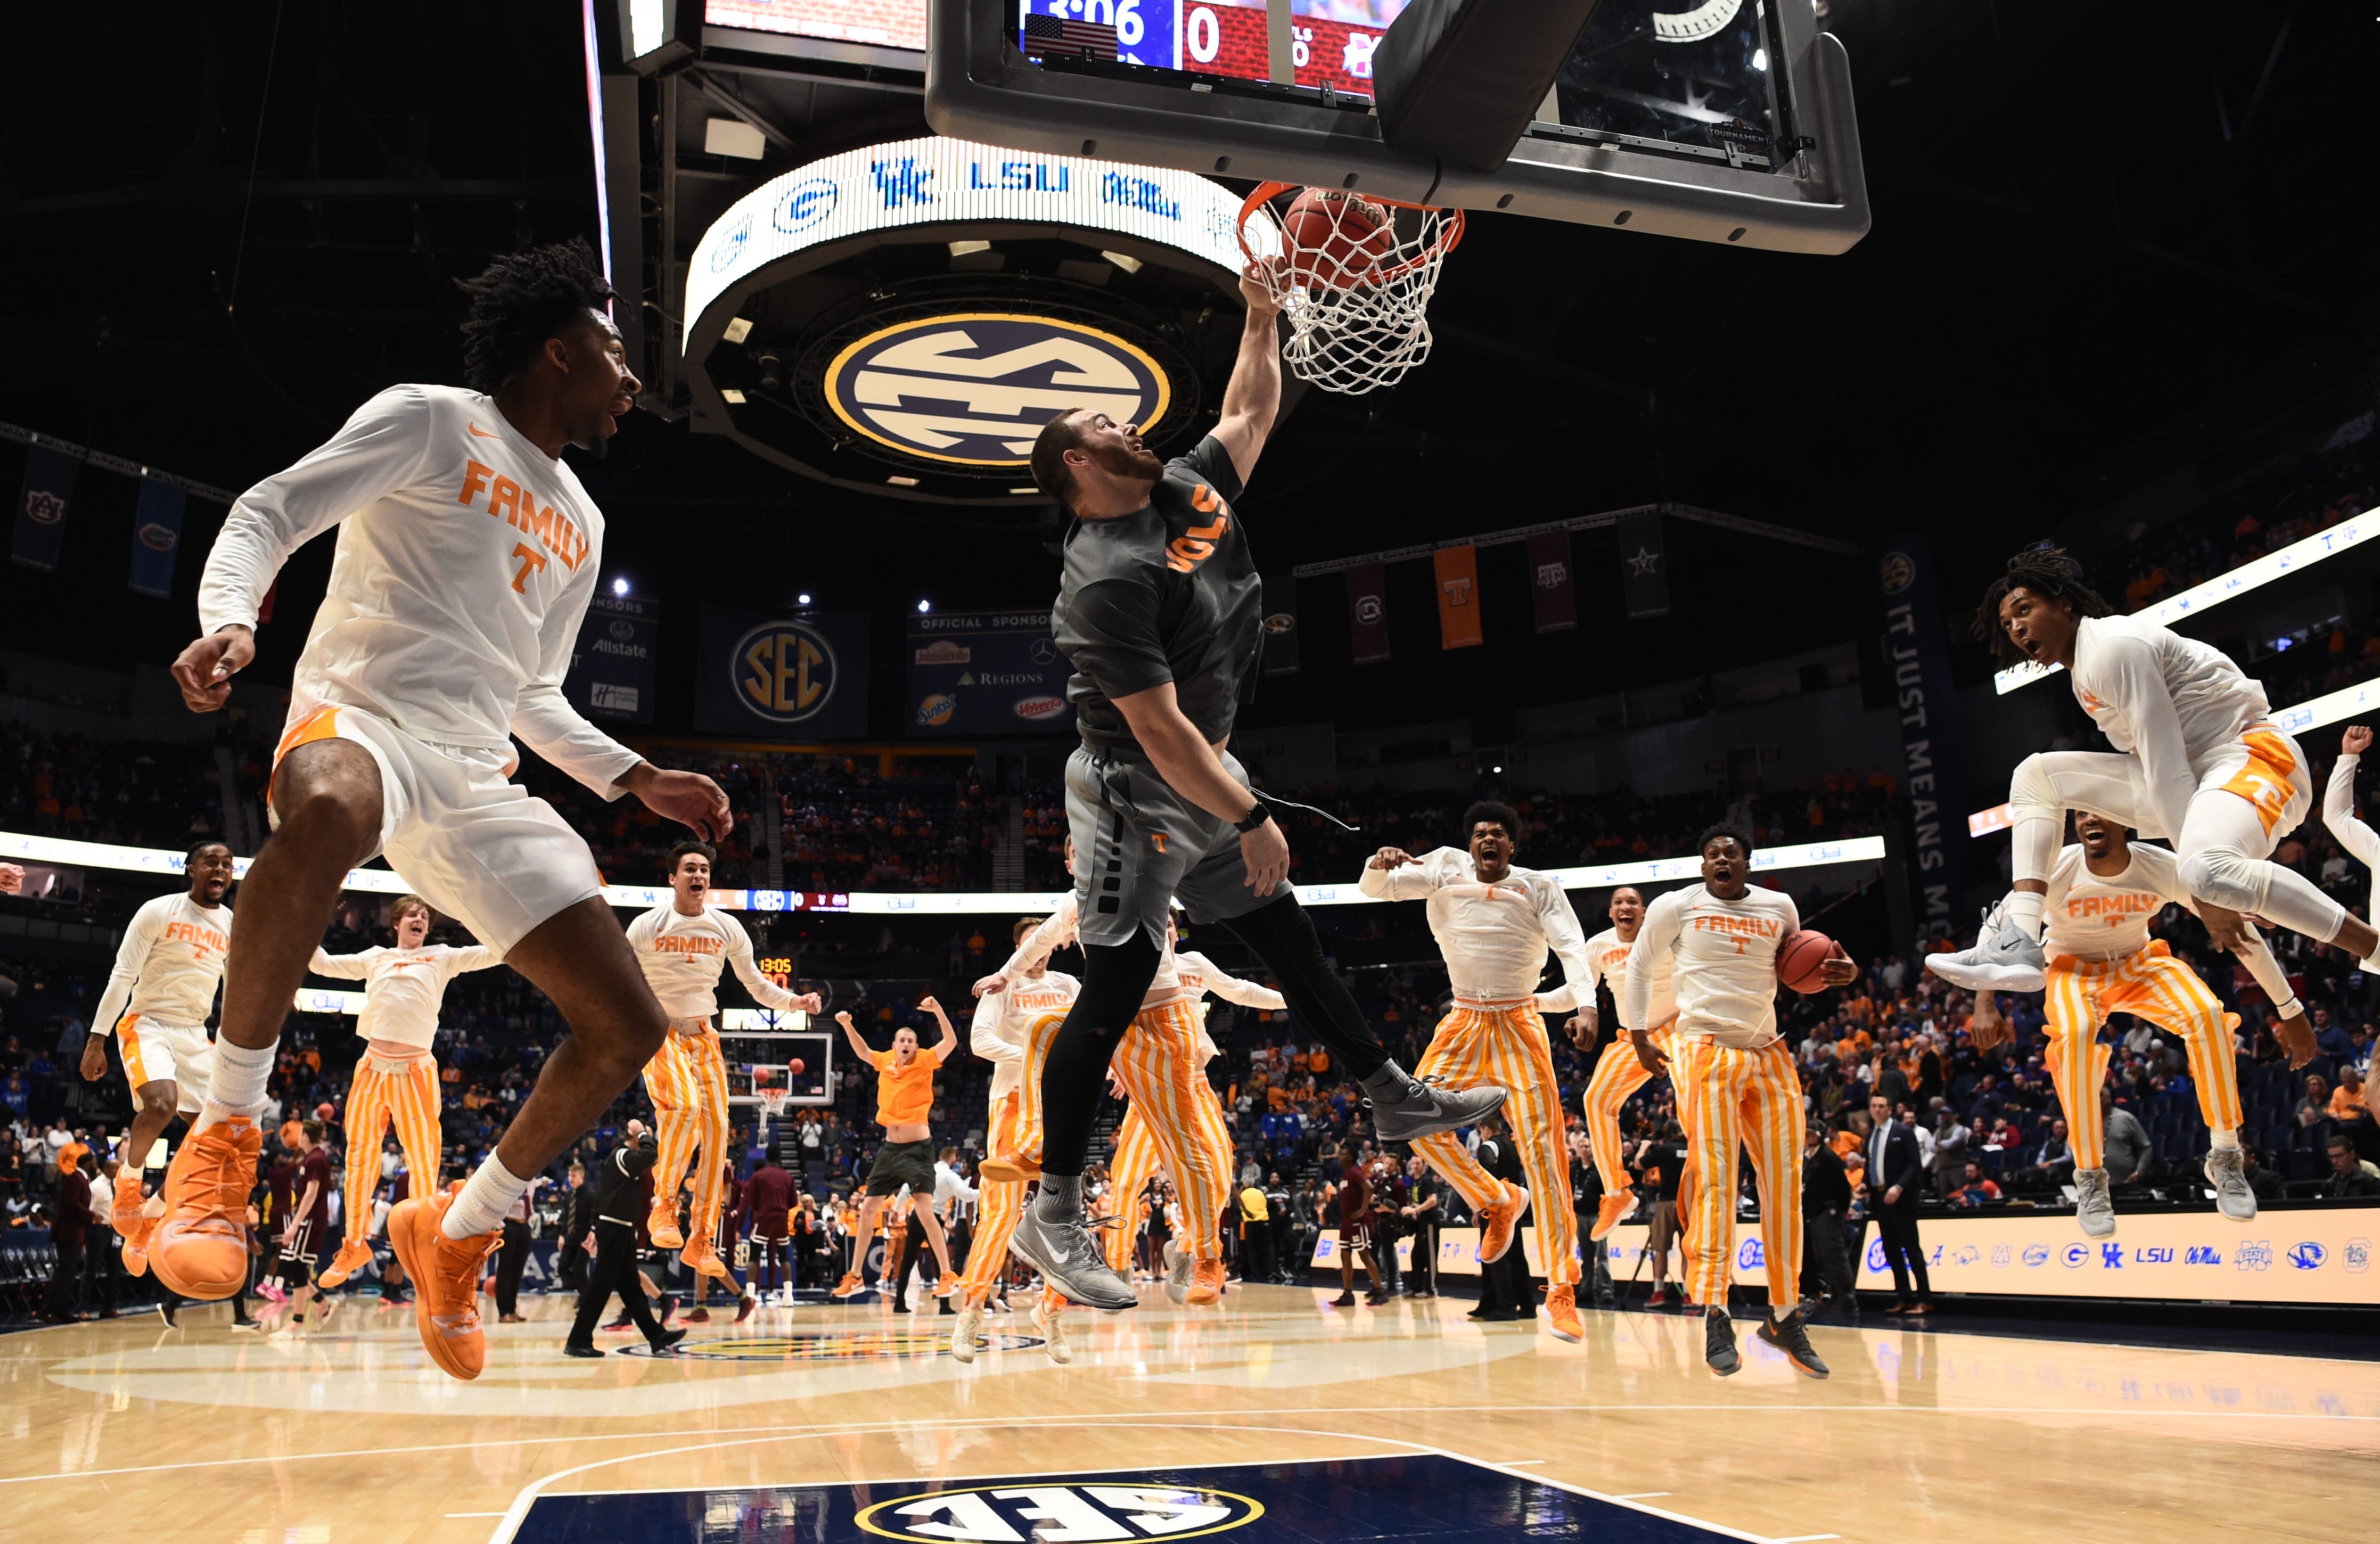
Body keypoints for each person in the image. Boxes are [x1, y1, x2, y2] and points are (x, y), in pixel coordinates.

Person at [160, 240, 733, 1383]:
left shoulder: (584, 515)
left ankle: (458, 1227)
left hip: (476, 773)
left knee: (625, 1029)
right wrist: (235, 618)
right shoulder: (432, 419)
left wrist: (637, 778)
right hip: (362, 715)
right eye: (617, 354)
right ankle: (226, 1131)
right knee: (325, 810)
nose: (632, 379)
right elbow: (272, 510)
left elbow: (533, 695)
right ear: (558, 350)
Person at [1014, 266, 1505, 1309]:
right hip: (1135, 790)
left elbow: (1251, 406)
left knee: (1287, 934)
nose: (1129, 421)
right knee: (1111, 990)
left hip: (1205, 761)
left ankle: (1391, 1094)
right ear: (1073, 463)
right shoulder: (1104, 580)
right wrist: (1251, 810)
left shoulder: (1190, 484)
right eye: (1104, 419)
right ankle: (1052, 1212)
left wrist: (1262, 314)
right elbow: (1156, 727)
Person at [1930, 545, 2376, 1011]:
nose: (2017, 628)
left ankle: (2374, 948)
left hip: (2252, 756)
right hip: (2196, 777)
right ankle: (2019, 938)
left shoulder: (2111, 651)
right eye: (2008, 625)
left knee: (2206, 871)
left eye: (2025, 610)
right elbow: (2164, 769)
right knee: (2035, 777)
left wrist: (2205, 897)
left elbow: (2167, 769)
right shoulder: (2083, 670)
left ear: (2064, 604)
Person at [1966, 811, 2284, 1234]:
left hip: (2140, 962)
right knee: (2075, 1038)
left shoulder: (2157, 864)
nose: (2088, 820)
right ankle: (2091, 1178)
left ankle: (2225, 1156)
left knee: (2208, 1015)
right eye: (2080, 814)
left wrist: (2250, 904)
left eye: (2099, 812)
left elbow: (2212, 897)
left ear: (2124, 822)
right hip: (2071, 970)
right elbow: (2000, 929)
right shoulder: (2055, 868)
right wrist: (1984, 1003)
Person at [1357, 802, 1598, 1341]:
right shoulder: (1444, 866)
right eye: (1480, 832)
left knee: (1545, 1152)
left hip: (1519, 1021)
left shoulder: (1538, 886)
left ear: (1513, 845)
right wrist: (1380, 860)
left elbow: (1571, 946)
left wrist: (1587, 1005)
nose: (1488, 839)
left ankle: (1562, 1288)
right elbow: (1373, 889)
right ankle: (1495, 1198)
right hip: (1463, 1018)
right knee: (1411, 1119)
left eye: (1499, 834)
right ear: (1471, 843)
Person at [1629, 824, 1856, 1378]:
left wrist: (1839, 976)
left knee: (1785, 1183)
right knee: (1717, 1177)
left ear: (1747, 863)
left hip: (1770, 1051)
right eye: (1712, 853)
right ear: (1702, 863)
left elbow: (1799, 966)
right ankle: (1715, 1307)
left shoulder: (1780, 906)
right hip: (1704, 1048)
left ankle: (1782, 1313)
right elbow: (1638, 964)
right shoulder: (1675, 905)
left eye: (1731, 852)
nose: (1721, 858)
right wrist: (1637, 1034)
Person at [625, 841, 818, 1279]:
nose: (698, 876)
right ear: (672, 878)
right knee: (686, 1108)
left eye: (705, 870)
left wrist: (796, 1002)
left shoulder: (727, 928)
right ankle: (665, 1205)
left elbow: (758, 986)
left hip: (704, 1035)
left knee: (716, 1131)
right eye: (690, 869)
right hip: (658, 1031)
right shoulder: (645, 926)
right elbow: (617, 976)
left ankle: (701, 1239)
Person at [308, 894, 501, 1287]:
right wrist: (306, 915)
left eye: (425, 916)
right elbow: (321, 964)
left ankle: (425, 1242)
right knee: (360, 1159)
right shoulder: (375, 956)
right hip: (371, 1067)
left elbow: (495, 954)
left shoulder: (442, 956)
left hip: (415, 1071)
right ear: (395, 923)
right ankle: (353, 1244)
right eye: (412, 914)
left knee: (423, 1162)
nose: (420, 919)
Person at [77, 842, 236, 1276]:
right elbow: (122, 975)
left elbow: (238, 985)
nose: (219, 869)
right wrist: (97, 1041)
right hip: (147, 1023)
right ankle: (129, 1183)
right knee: (162, 1104)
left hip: (194, 1034)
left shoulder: (231, 924)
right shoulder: (158, 910)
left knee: (217, 1142)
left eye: (227, 864)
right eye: (211, 862)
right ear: (192, 869)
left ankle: (151, 1218)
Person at [954, 917, 1079, 1364]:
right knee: (1001, 1212)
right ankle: (971, 1309)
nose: (1039, 952)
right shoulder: (1003, 985)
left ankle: (1052, 1313)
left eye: (1043, 945)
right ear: (1018, 949)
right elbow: (979, 1041)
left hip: (1061, 1103)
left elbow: (1097, 1032)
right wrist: (1034, 1056)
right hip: (1011, 1099)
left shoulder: (1068, 985)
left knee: (1062, 1215)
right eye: (1030, 945)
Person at [1565, 886, 1678, 1242]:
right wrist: (1531, 1001)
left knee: (1694, 1106)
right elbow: (1578, 994)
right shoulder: (1597, 947)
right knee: (1596, 1100)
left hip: (1680, 1028)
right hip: (1633, 1037)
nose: (1625, 907)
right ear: (1611, 913)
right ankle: (1617, 1194)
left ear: (1644, 912)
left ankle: (1706, 1193)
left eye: (1632, 902)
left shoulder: (1665, 935)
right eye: (1618, 903)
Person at [831, 1003, 961, 1299]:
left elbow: (951, 1042)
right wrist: (847, 1025)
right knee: (867, 1210)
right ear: (894, 1045)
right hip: (890, 1149)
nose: (906, 1045)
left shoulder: (927, 1059)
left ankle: (946, 1275)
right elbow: (864, 1052)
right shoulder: (886, 1060)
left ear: (917, 1046)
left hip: (918, 1150)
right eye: (902, 1041)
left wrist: (939, 1010)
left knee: (925, 1212)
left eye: (911, 1041)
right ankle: (855, 1276)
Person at [565, 1121, 688, 1357]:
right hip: (614, 1228)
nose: (647, 1140)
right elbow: (651, 1153)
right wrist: (643, 1132)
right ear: (633, 1137)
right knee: (600, 1286)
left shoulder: (625, 1161)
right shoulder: (622, 1156)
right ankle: (578, 1340)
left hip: (621, 1229)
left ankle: (657, 1336)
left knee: (631, 1287)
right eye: (643, 1137)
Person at [1861, 1093, 1932, 1316]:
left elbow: (1915, 1164)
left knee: (1911, 1248)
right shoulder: (1871, 1136)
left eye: (1882, 1106)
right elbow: (1873, 1165)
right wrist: (1866, 1185)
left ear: (1891, 1109)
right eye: (1874, 1106)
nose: (1878, 1110)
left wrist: (1899, 1187)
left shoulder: (1903, 1132)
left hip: (1902, 1200)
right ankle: (1905, 1297)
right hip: (1880, 1200)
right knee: (1891, 1251)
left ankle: (1925, 1299)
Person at [261, 1121, 333, 1335]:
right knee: (294, 1268)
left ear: (306, 1137)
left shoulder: (316, 1159)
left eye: (301, 1134)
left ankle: (297, 1322)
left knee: (298, 1267)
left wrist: (294, 1224)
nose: (299, 1137)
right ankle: (322, 1303)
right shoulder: (311, 1158)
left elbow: (312, 1193)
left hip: (310, 1220)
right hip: (306, 1219)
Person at [1800, 1122, 1855, 1313]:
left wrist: (1838, 1211)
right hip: (1816, 1214)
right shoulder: (1811, 1158)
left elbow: (1843, 1189)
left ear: (1818, 1135)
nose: (1806, 1138)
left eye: (1809, 1134)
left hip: (1828, 1214)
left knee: (1835, 1255)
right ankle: (1835, 1294)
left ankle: (1847, 1297)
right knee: (1823, 1256)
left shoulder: (1827, 1158)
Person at [1636, 1124, 1689, 1308]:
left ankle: (1659, 1293)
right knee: (1687, 1252)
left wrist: (1644, 1146)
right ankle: (1689, 1295)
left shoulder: (1665, 1149)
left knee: (1660, 1251)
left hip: (1666, 1203)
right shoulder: (1692, 1148)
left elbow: (1639, 1164)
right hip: (1688, 1204)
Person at [1330, 1151, 1385, 1307]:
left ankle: (1380, 1291)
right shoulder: (1345, 1175)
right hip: (1347, 1221)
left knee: (1364, 1255)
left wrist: (1362, 1210)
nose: (1339, 1157)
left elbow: (1369, 1186)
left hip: (1358, 1221)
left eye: (1343, 1154)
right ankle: (1348, 1293)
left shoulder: (1355, 1172)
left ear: (1350, 1157)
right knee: (1345, 1255)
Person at [746, 1151, 796, 1303]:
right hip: (782, 1217)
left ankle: (750, 1296)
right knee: (784, 1256)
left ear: (766, 1159)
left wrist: (760, 1210)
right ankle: (788, 1296)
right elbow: (794, 1201)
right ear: (780, 1159)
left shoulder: (758, 1175)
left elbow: (752, 1199)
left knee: (754, 1256)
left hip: (764, 1217)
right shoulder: (788, 1176)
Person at [2100, 1085, 2155, 1184]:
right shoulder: (2087, 1124)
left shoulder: (2125, 1118)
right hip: (2096, 1186)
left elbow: (2146, 1147)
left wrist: (2139, 1172)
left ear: (2109, 1098)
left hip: (2125, 1182)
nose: (2096, 1100)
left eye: (2100, 1096)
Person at [2320, 1132, 2380, 1197]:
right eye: (2331, 1157)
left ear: (2352, 1155)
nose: (2335, 1161)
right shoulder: (2329, 1185)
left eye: (2339, 1156)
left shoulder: (2370, 1182)